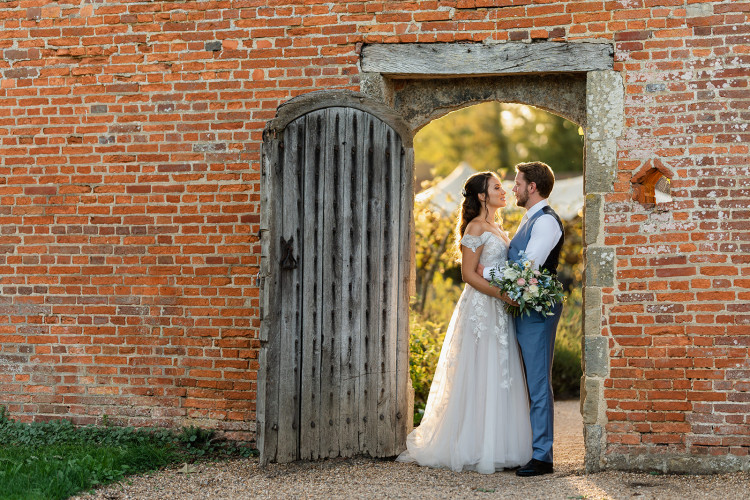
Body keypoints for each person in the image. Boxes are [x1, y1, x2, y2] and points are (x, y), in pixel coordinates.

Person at [396, 171, 532, 474]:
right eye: (496, 187)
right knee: (479, 370)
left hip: (499, 308)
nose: (503, 190)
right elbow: (468, 275)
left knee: (500, 370)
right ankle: (471, 445)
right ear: (482, 196)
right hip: (482, 308)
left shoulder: (498, 227)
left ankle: (500, 444)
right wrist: (502, 295)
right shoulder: (475, 227)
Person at [479, 161, 564, 477]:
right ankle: (528, 448)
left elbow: (526, 268)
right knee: (525, 381)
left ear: (532, 187)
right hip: (524, 306)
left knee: (538, 381)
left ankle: (543, 457)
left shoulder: (546, 223)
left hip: (539, 310)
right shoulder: (529, 219)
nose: (512, 188)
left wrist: (482, 272)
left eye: (517, 183)